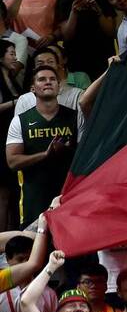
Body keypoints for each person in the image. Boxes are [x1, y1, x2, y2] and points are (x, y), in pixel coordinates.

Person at [6, 65, 77, 225]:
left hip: (68, 195)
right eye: (42, 79)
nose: (48, 82)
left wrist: (67, 151)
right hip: (33, 198)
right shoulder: (20, 121)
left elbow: (85, 155)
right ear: (33, 88)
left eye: (52, 79)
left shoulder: (75, 117)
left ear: (59, 87)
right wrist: (44, 155)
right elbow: (12, 162)